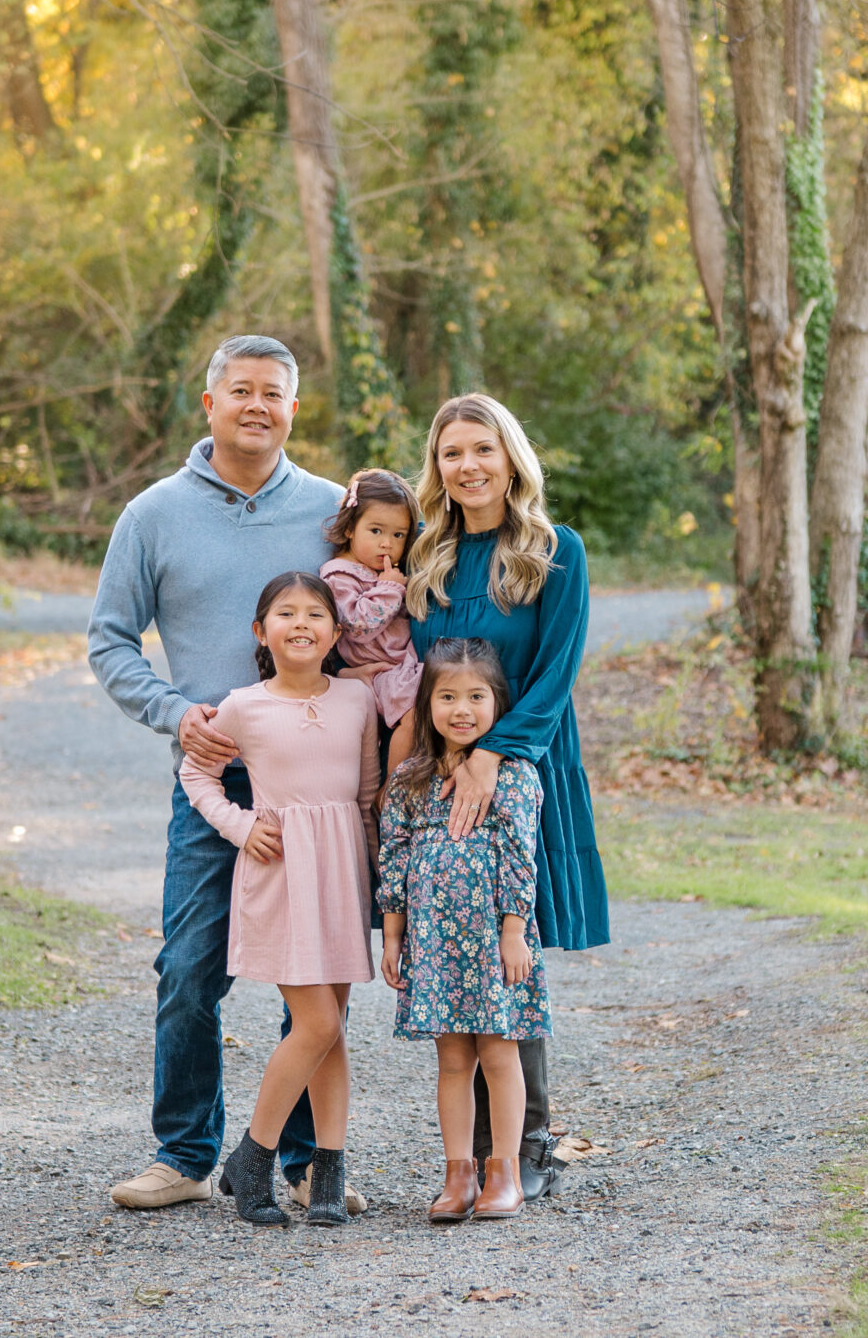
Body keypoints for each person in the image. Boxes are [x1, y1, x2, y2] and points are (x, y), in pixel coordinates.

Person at [87, 337, 361, 1214]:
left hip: (313, 789)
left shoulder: (331, 511)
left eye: (272, 393)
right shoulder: (154, 513)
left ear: (292, 409)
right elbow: (110, 639)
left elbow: (381, 629)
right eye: (239, 390)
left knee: (316, 978)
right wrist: (179, 714)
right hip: (213, 781)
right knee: (189, 966)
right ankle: (184, 1151)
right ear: (207, 404)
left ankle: (306, 1164)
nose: (256, 405)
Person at [402, 391, 607, 1197]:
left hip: (524, 764)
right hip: (439, 774)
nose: (468, 465)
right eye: (452, 453)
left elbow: (557, 672)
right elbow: (407, 670)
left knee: (510, 946)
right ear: (438, 467)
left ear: (510, 455)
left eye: (482, 448)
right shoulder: (426, 558)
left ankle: (525, 1148)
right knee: (462, 946)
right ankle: (476, 1155)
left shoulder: (556, 551)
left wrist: (492, 754)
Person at [177, 573, 379, 1226]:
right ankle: (253, 1159)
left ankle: (328, 1175)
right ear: (261, 632)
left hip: (343, 874)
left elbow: (370, 794)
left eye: (315, 613)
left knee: (332, 1032)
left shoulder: (358, 698)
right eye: (284, 613)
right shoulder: (243, 705)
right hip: (284, 873)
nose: (301, 623)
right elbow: (196, 772)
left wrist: (383, 885)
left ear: (336, 631)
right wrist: (239, 825)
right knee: (315, 1023)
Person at [377, 637, 550, 1223]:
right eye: (448, 696)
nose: (462, 710)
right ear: (427, 703)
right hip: (433, 944)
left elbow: (522, 858)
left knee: (500, 1055)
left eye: (476, 696)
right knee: (452, 1061)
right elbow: (394, 859)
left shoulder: (516, 776)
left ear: (498, 702)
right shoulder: (407, 780)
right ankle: (459, 1175)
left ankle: (506, 1173)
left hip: (492, 941)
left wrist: (513, 932)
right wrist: (393, 936)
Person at [319, 468, 424, 773]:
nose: (387, 544)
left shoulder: (382, 571)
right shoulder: (339, 574)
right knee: (414, 714)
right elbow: (357, 625)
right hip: (377, 673)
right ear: (350, 528)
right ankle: (393, 786)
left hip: (401, 667)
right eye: (376, 531)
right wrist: (390, 588)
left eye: (398, 534)